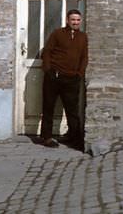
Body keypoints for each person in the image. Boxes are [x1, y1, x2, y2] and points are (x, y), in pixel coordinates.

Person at [39, 9, 88, 151]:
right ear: (67, 20)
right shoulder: (58, 34)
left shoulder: (83, 37)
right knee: (48, 107)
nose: (76, 22)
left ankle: (74, 138)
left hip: (72, 79)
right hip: (54, 77)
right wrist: (48, 70)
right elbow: (46, 51)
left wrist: (79, 73)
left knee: (72, 110)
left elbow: (84, 57)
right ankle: (46, 137)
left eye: (78, 20)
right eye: (73, 20)